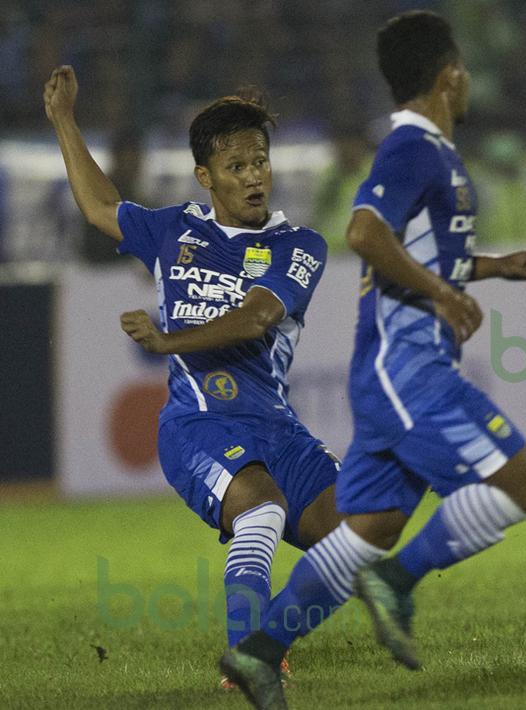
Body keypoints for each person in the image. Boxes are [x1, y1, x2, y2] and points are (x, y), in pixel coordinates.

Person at [219, 12, 526, 708]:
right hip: (409, 372)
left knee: (369, 527)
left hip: (391, 374)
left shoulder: (433, 153)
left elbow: (421, 250)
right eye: (463, 72)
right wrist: (442, 294)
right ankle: (397, 585)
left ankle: (256, 655)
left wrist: (493, 267)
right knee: (523, 482)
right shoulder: (411, 148)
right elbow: (364, 232)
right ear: (450, 75)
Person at [44, 67, 343, 682]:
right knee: (260, 513)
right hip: (198, 424)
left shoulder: (300, 244)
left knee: (359, 540)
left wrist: (167, 340)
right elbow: (101, 206)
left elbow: (256, 318)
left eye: (260, 161)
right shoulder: (175, 230)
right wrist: (65, 122)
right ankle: (249, 658)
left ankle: (266, 636)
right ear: (206, 177)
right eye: (237, 167)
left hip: (278, 429)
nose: (255, 175)